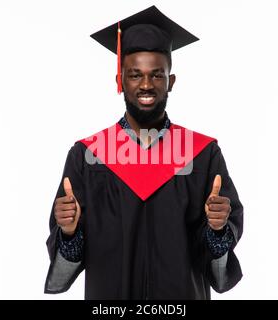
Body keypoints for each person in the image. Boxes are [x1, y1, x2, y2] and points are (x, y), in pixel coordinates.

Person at [44, 5, 243, 300]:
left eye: (157, 75)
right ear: (119, 80)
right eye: (135, 75)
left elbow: (217, 267)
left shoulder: (202, 154)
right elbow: (67, 263)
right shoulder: (88, 156)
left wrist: (217, 229)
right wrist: (70, 233)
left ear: (170, 82)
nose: (146, 85)